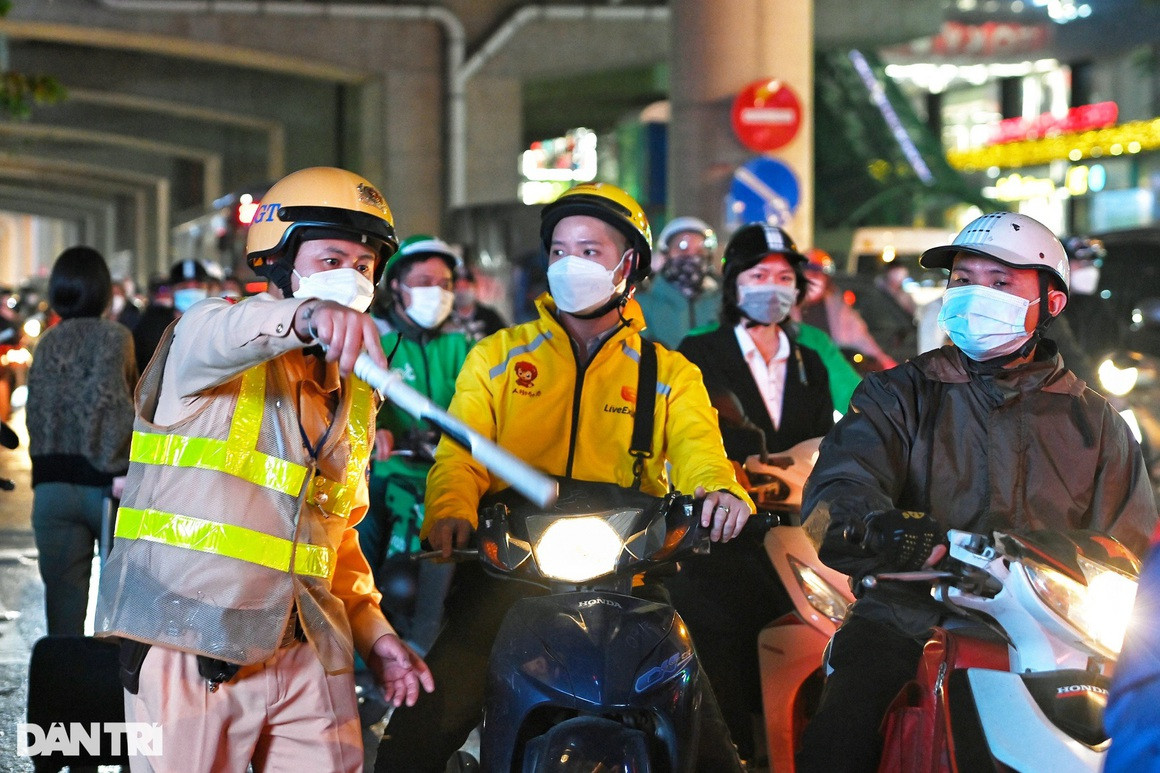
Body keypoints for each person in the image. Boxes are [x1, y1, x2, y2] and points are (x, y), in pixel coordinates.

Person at [376, 182, 754, 772]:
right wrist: (449, 511)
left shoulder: (670, 373)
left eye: (590, 250)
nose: (570, 263)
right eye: (559, 250)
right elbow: (462, 453)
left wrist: (721, 490)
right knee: (421, 731)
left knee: (707, 740)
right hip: (512, 567)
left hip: (629, 571)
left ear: (630, 265)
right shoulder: (499, 356)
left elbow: (699, 449)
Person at [95, 166, 434, 772]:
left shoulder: (352, 393)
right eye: (332, 258)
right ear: (279, 259)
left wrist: (377, 636)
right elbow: (224, 331)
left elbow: (336, 536)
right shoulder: (208, 339)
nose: (352, 278)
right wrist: (304, 318)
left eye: (364, 266)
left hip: (309, 648)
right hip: (190, 650)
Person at [796, 211, 1158, 773]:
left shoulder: (1099, 424)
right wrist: (875, 528)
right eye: (963, 281)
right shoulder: (894, 396)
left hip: (1058, 629)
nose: (974, 296)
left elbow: (1130, 550)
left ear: (1051, 303)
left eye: (999, 282)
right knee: (839, 736)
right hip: (909, 615)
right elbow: (829, 502)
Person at [671, 223, 835, 762]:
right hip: (723, 535)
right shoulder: (699, 351)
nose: (773, 286)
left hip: (797, 536)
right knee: (723, 648)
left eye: (785, 276)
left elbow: (824, 440)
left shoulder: (810, 360)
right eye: (759, 274)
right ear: (734, 283)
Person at [359, 234, 470, 652]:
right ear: (397, 287)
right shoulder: (378, 344)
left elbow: (481, 404)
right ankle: (358, 657)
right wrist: (378, 431)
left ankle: (431, 651)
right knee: (356, 539)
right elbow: (357, 406)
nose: (436, 293)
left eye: (444, 284)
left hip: (449, 476)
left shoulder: (466, 347)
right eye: (424, 281)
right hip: (390, 476)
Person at [27, 246, 137, 636]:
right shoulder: (115, 338)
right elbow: (114, 405)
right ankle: (109, 693)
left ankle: (64, 693)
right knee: (117, 610)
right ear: (104, 291)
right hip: (104, 489)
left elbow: (36, 413)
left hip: (51, 490)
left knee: (62, 613)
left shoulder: (46, 344)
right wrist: (118, 467)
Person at [795, 248, 897, 369]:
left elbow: (864, 341)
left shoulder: (840, 311)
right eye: (807, 272)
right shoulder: (786, 310)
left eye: (817, 274)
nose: (812, 279)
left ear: (826, 279)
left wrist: (888, 366)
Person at [635, 215, 722, 349]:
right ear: (665, 254)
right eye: (682, 249)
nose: (692, 257)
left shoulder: (723, 302)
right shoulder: (642, 304)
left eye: (700, 251)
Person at [131, 259, 214, 371]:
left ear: (207, 289)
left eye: (198, 287)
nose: (191, 291)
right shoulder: (152, 325)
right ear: (171, 290)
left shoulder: (217, 321)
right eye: (184, 287)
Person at [447, 261, 507, 343]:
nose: (462, 292)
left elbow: (504, 341)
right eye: (458, 287)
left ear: (475, 288)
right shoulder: (446, 317)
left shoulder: (489, 316)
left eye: (466, 286)